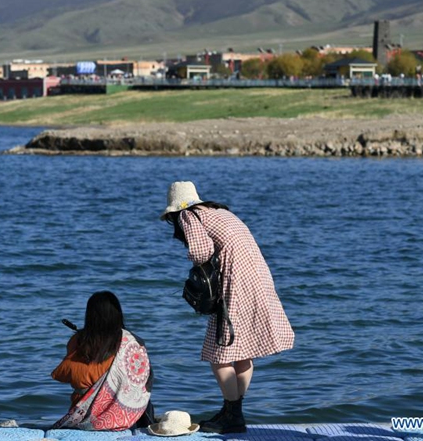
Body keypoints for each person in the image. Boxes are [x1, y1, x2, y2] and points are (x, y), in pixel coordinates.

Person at [161, 181, 294, 434]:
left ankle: (232, 414)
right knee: (242, 351)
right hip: (258, 277)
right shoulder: (219, 212)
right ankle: (233, 410)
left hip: (236, 282)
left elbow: (201, 252)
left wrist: (193, 264)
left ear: (175, 211)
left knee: (218, 354)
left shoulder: (189, 214)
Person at [51, 291, 154, 431]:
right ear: (118, 314)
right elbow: (145, 379)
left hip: (83, 417)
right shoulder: (132, 342)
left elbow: (62, 374)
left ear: (89, 316)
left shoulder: (77, 341)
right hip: (127, 418)